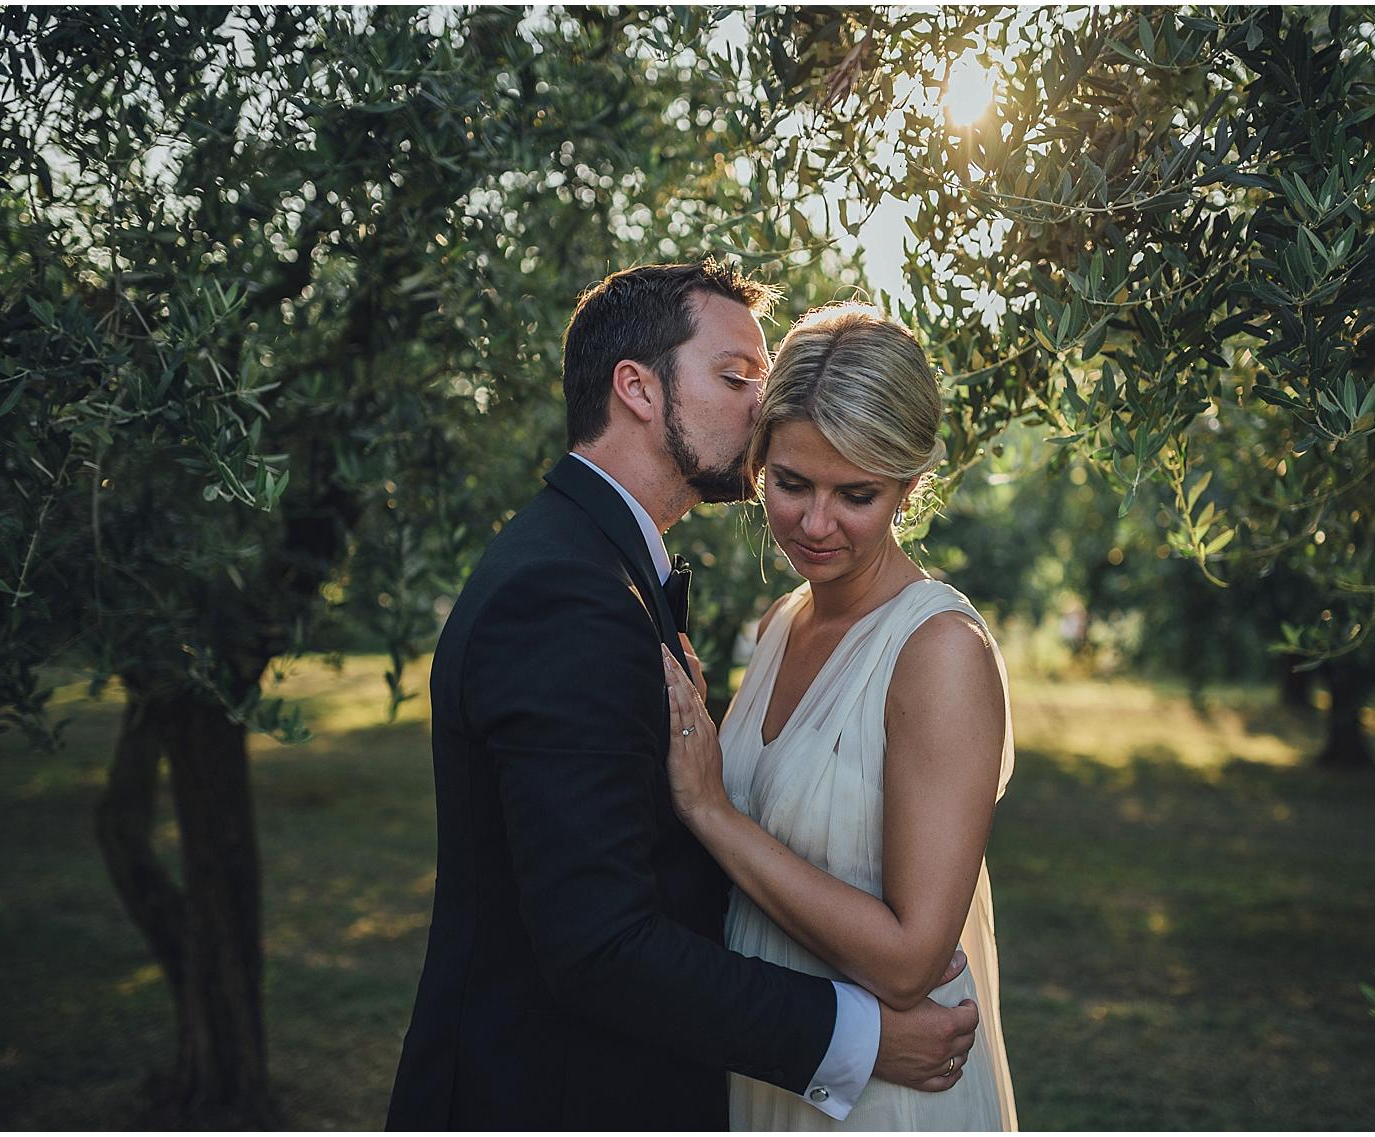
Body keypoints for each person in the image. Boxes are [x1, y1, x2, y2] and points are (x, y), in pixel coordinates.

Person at [385, 263, 980, 1130]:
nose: (760, 410)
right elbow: (599, 944)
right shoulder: (565, 593)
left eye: (855, 492)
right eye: (737, 377)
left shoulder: (604, 572)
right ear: (637, 388)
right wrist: (858, 1038)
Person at [662, 303, 1019, 1130]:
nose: (814, 524)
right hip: (780, 1069)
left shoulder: (939, 652)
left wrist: (711, 809)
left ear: (909, 484)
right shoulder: (779, 624)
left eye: (856, 494)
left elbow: (909, 960)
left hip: (886, 1101)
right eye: (790, 483)